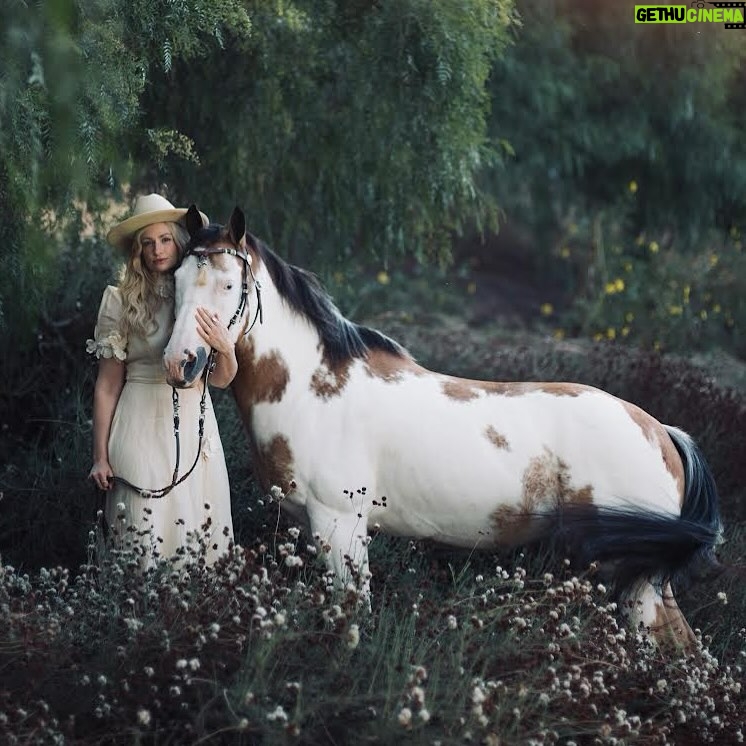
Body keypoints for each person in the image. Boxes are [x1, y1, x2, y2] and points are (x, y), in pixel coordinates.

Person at [87, 194, 235, 567]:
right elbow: (106, 387)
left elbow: (218, 380)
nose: (157, 251)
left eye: (165, 240)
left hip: (195, 427)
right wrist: (99, 457)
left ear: (178, 240)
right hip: (138, 423)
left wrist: (226, 348)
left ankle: (195, 619)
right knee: (142, 532)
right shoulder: (119, 302)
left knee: (198, 534)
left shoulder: (197, 294)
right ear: (138, 251)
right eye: (147, 243)